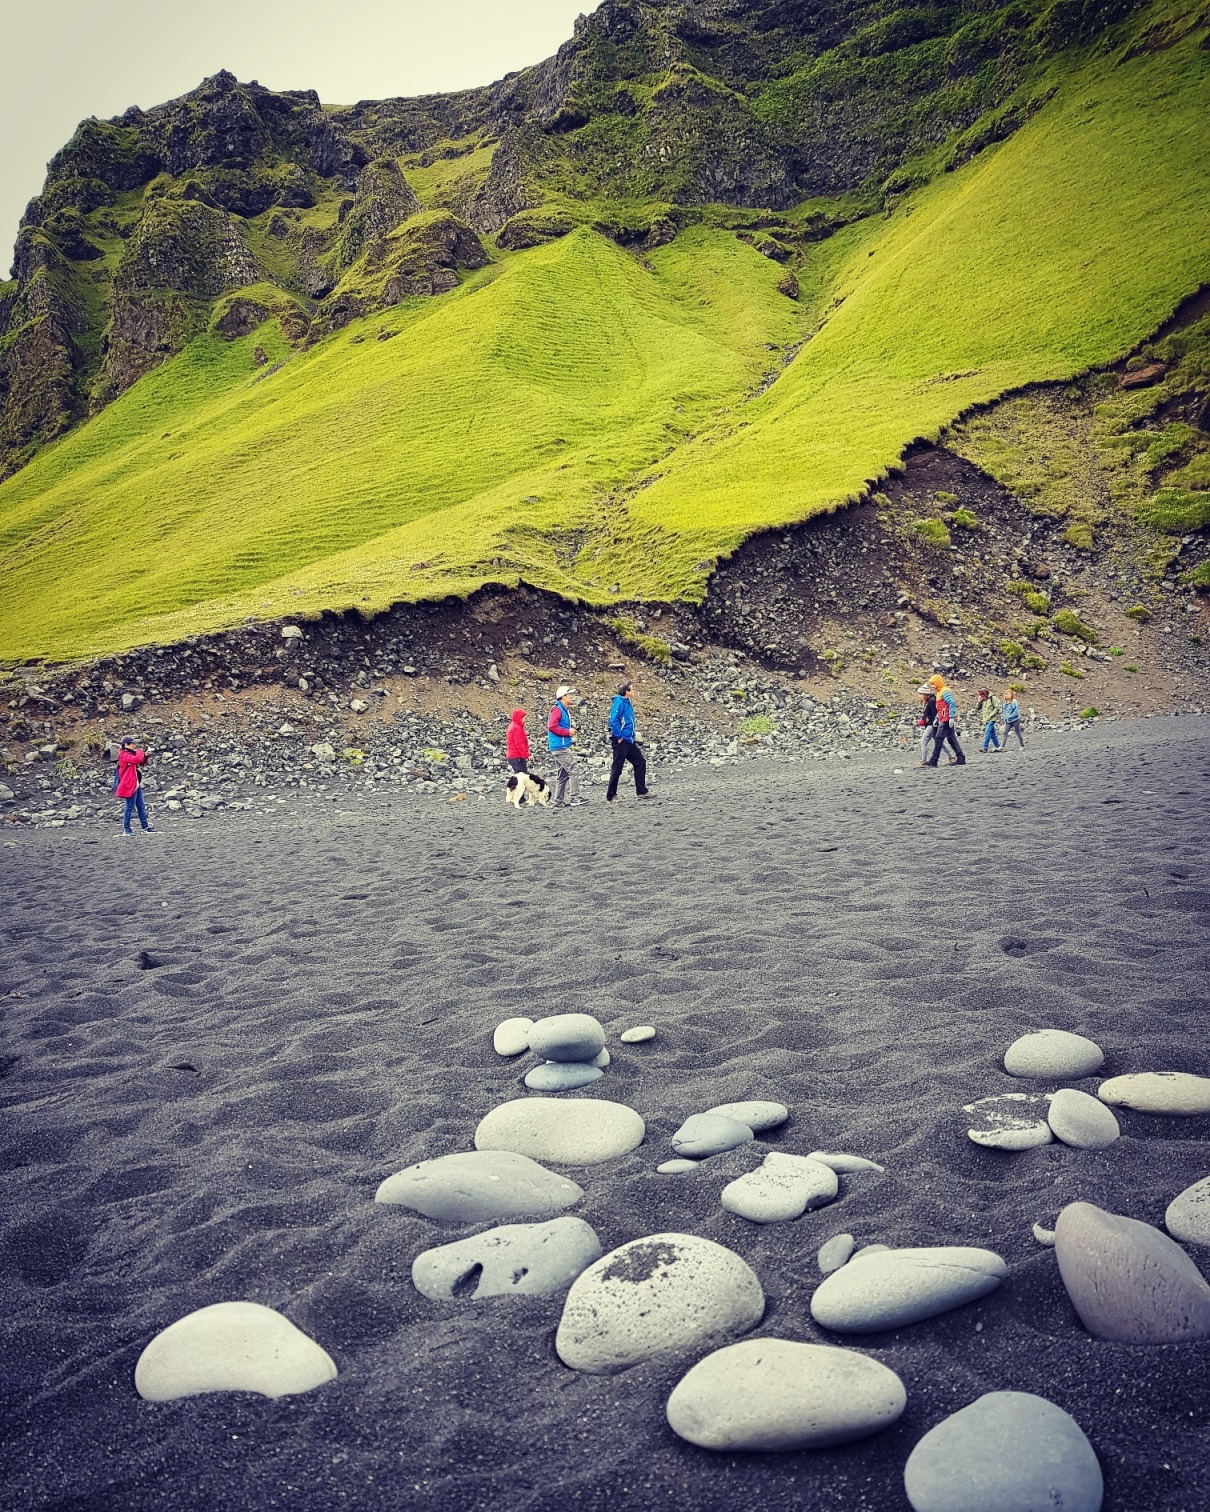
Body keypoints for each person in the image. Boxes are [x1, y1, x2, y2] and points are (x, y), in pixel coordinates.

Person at [606, 680, 651, 802]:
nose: (634, 691)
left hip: (628, 740)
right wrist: (618, 736)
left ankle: (642, 791)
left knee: (640, 762)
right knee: (617, 767)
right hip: (622, 740)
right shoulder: (620, 702)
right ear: (627, 691)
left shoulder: (627, 702)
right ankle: (611, 795)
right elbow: (613, 720)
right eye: (632, 689)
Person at [547, 685, 586, 807]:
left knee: (563, 774)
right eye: (570, 694)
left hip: (559, 745)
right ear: (563, 697)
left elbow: (554, 726)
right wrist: (567, 732)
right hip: (560, 746)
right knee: (573, 769)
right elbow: (552, 726)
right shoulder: (558, 709)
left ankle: (558, 801)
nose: (572, 697)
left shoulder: (561, 709)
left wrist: (568, 732)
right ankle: (575, 798)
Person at [115, 736, 155, 834]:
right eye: (132, 743)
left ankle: (145, 827)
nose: (134, 745)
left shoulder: (128, 754)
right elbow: (136, 759)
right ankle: (126, 829)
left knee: (141, 806)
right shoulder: (124, 755)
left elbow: (140, 762)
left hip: (135, 784)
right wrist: (141, 752)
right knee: (129, 806)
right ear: (126, 745)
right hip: (130, 784)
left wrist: (145, 756)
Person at [925, 675, 965, 766]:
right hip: (944, 718)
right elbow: (940, 708)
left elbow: (952, 704)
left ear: (938, 683)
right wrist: (937, 718)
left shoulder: (945, 692)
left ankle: (934, 760)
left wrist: (951, 717)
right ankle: (961, 757)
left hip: (946, 719)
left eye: (933, 684)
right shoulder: (939, 693)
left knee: (938, 738)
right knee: (951, 739)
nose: (933, 686)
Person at [916, 684, 938, 766]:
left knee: (923, 742)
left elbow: (933, 714)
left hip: (931, 725)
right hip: (932, 725)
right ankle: (951, 756)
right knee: (938, 742)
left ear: (925, 694)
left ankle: (923, 760)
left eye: (920, 694)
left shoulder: (931, 701)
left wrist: (925, 721)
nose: (919, 696)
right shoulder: (931, 700)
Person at [506, 708, 530, 775]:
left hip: (513, 756)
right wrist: (527, 755)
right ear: (520, 718)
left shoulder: (513, 726)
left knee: (520, 777)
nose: (525, 720)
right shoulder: (517, 728)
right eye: (524, 718)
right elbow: (519, 743)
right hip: (517, 757)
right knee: (523, 777)